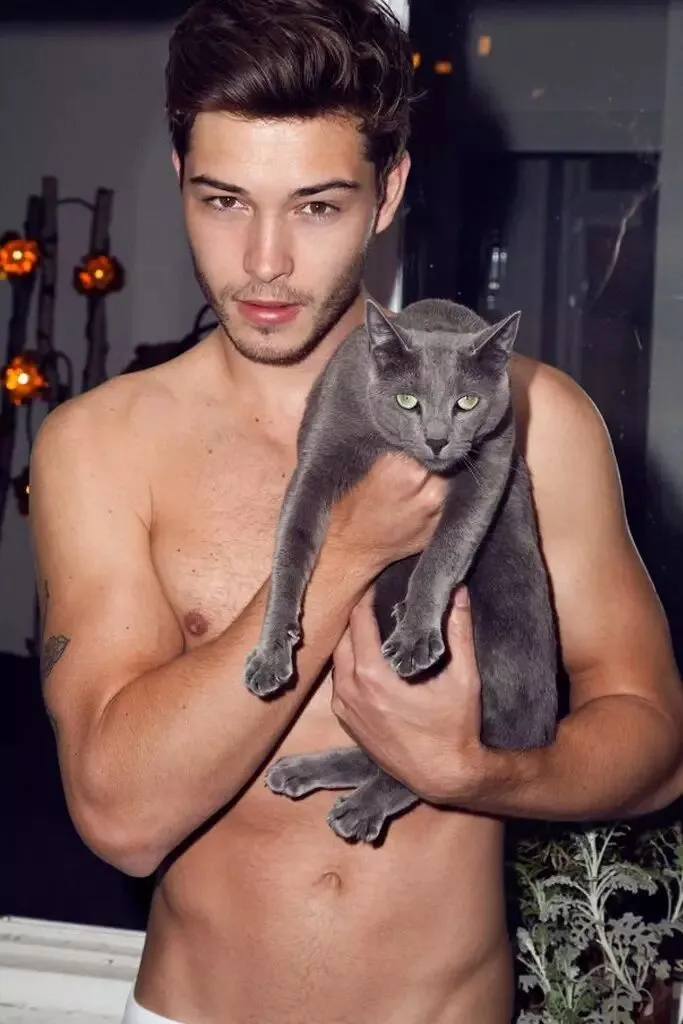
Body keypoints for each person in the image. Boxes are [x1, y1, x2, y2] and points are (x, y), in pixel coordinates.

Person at [29, 1, 683, 1022]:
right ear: (180, 177)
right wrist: (346, 550)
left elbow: (654, 745)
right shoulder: (102, 445)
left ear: (389, 192)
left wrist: (476, 771)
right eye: (224, 200)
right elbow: (121, 817)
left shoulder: (531, 418)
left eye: (317, 206)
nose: (264, 261)